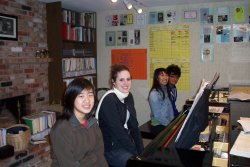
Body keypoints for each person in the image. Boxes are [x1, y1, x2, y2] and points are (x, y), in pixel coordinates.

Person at [50, 78, 108, 167]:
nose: (87, 100)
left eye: (90, 95)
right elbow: (68, 164)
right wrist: (91, 159)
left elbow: (100, 156)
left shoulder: (92, 123)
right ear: (71, 99)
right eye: (81, 96)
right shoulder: (61, 129)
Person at [95, 64, 144, 167]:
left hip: (123, 142)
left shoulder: (128, 96)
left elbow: (134, 126)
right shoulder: (109, 99)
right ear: (114, 82)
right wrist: (135, 154)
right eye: (121, 80)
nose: (126, 83)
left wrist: (142, 151)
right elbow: (118, 132)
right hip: (109, 148)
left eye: (128, 79)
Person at [148, 68, 175, 135]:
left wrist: (173, 121)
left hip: (166, 122)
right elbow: (157, 115)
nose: (165, 77)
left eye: (166, 75)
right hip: (158, 125)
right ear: (157, 78)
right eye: (162, 75)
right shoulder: (154, 93)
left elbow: (170, 107)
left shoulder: (165, 89)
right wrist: (169, 125)